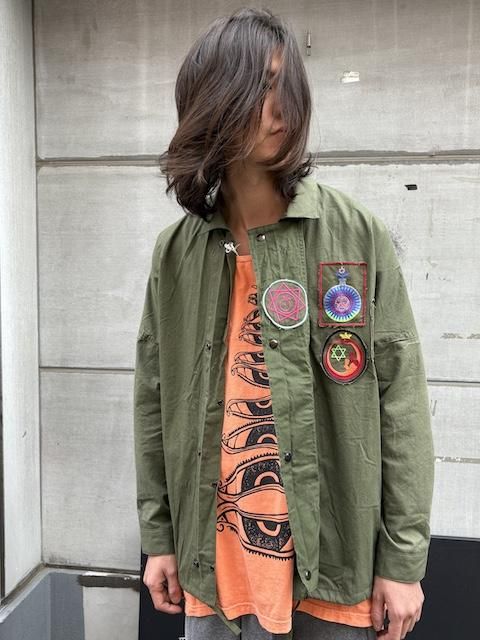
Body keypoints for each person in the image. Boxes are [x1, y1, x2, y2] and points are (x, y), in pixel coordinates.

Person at [133, 7, 435, 640]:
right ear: (212, 101)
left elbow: (400, 400)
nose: (279, 110)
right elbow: (154, 400)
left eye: (284, 86)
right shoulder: (176, 254)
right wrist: (158, 537)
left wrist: (403, 560)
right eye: (258, 88)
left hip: (334, 573)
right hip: (213, 574)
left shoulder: (354, 236)